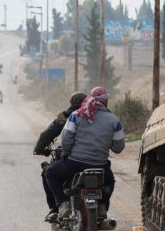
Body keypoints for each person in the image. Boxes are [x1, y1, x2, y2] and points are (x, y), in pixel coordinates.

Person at [45, 86, 124, 220]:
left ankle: (63, 205)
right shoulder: (114, 120)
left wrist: (66, 154)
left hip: (75, 163)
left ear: (90, 99)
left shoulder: (76, 115)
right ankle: (102, 206)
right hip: (100, 165)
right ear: (106, 101)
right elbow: (118, 147)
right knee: (109, 181)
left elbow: (66, 139)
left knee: (50, 172)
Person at [34, 91, 87, 217]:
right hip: (95, 158)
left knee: (48, 172)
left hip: (73, 159)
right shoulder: (95, 115)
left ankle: (56, 207)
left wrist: (39, 149)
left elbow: (46, 135)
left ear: (71, 103)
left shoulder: (66, 116)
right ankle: (102, 207)